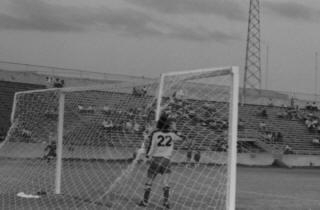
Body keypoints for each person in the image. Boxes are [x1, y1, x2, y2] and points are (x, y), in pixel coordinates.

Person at [138, 114, 183, 209]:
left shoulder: (155, 134)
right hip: (166, 160)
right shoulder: (172, 134)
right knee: (166, 182)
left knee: (149, 181)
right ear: (168, 124)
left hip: (156, 160)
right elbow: (182, 138)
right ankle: (166, 203)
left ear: (159, 124)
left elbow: (151, 146)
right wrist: (175, 129)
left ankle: (145, 202)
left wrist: (147, 156)